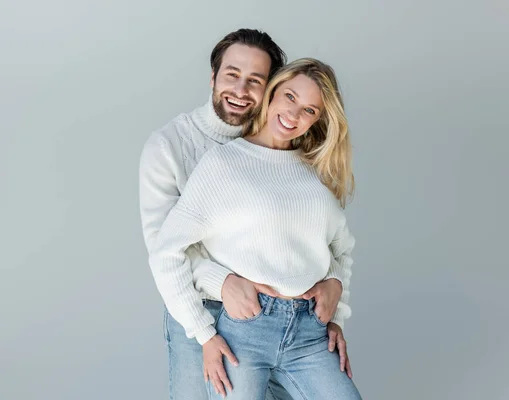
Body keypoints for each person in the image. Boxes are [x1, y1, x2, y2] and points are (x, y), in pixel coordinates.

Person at [140, 30, 351, 400]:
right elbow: (166, 247)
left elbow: (308, 235)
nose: (240, 89)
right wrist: (222, 283)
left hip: (290, 316)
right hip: (197, 307)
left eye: (255, 80)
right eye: (231, 74)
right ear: (213, 77)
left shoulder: (298, 160)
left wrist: (333, 285)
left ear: (269, 87)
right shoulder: (171, 147)